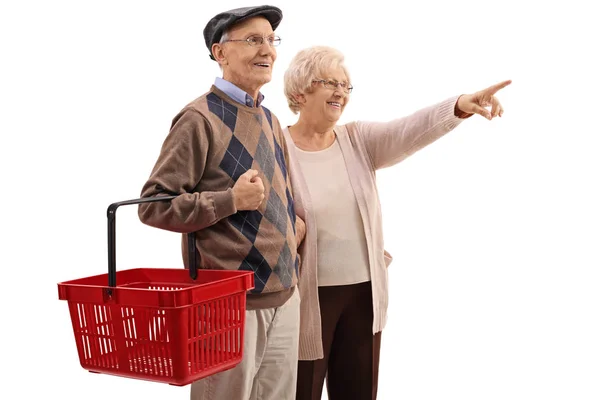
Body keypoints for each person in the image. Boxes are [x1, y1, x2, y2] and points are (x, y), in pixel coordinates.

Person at [282, 45, 511, 400]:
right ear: (300, 90)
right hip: (306, 298)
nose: (341, 91)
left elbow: (409, 130)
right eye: (331, 82)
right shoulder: (277, 146)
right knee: (300, 392)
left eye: (346, 85)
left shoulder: (358, 139)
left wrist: (459, 105)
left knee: (359, 392)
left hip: (363, 295)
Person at [137, 6, 306, 400]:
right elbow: (154, 205)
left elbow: (280, 193)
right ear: (220, 52)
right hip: (227, 308)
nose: (267, 49)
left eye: (270, 39)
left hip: (285, 294)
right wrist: (231, 200)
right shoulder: (198, 118)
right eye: (252, 40)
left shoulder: (269, 118)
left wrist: (292, 227)